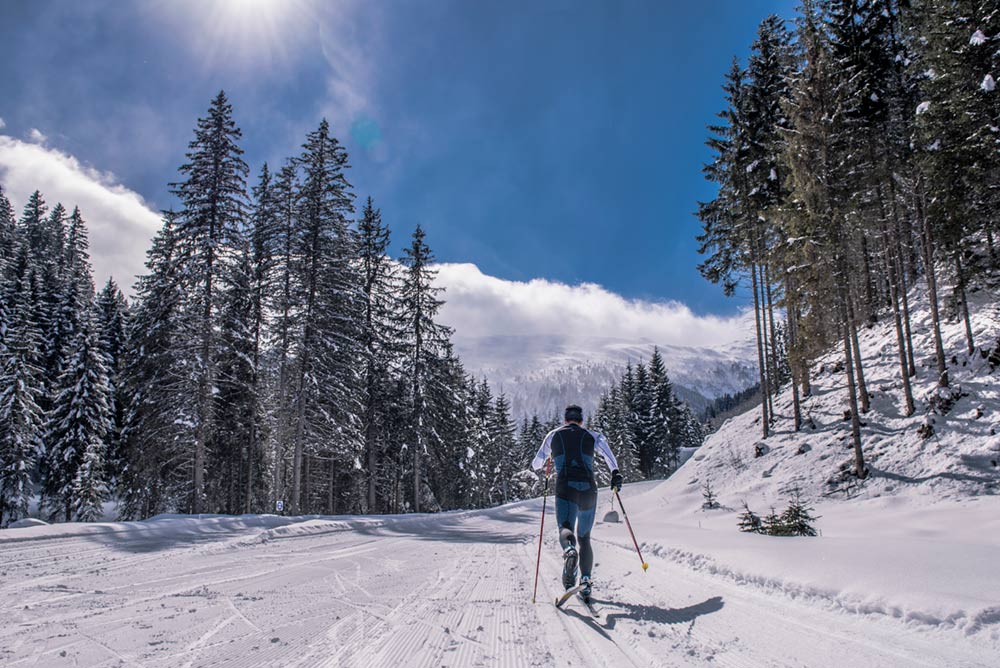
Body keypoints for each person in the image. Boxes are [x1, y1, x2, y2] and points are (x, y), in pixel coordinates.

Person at [532, 404, 623, 601]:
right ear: (581, 420)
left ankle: (569, 550)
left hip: (565, 488)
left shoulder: (553, 435)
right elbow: (610, 458)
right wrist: (615, 474)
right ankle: (587, 581)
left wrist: (548, 458)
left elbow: (536, 464)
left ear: (565, 419)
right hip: (589, 489)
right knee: (585, 537)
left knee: (565, 527)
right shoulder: (592, 436)